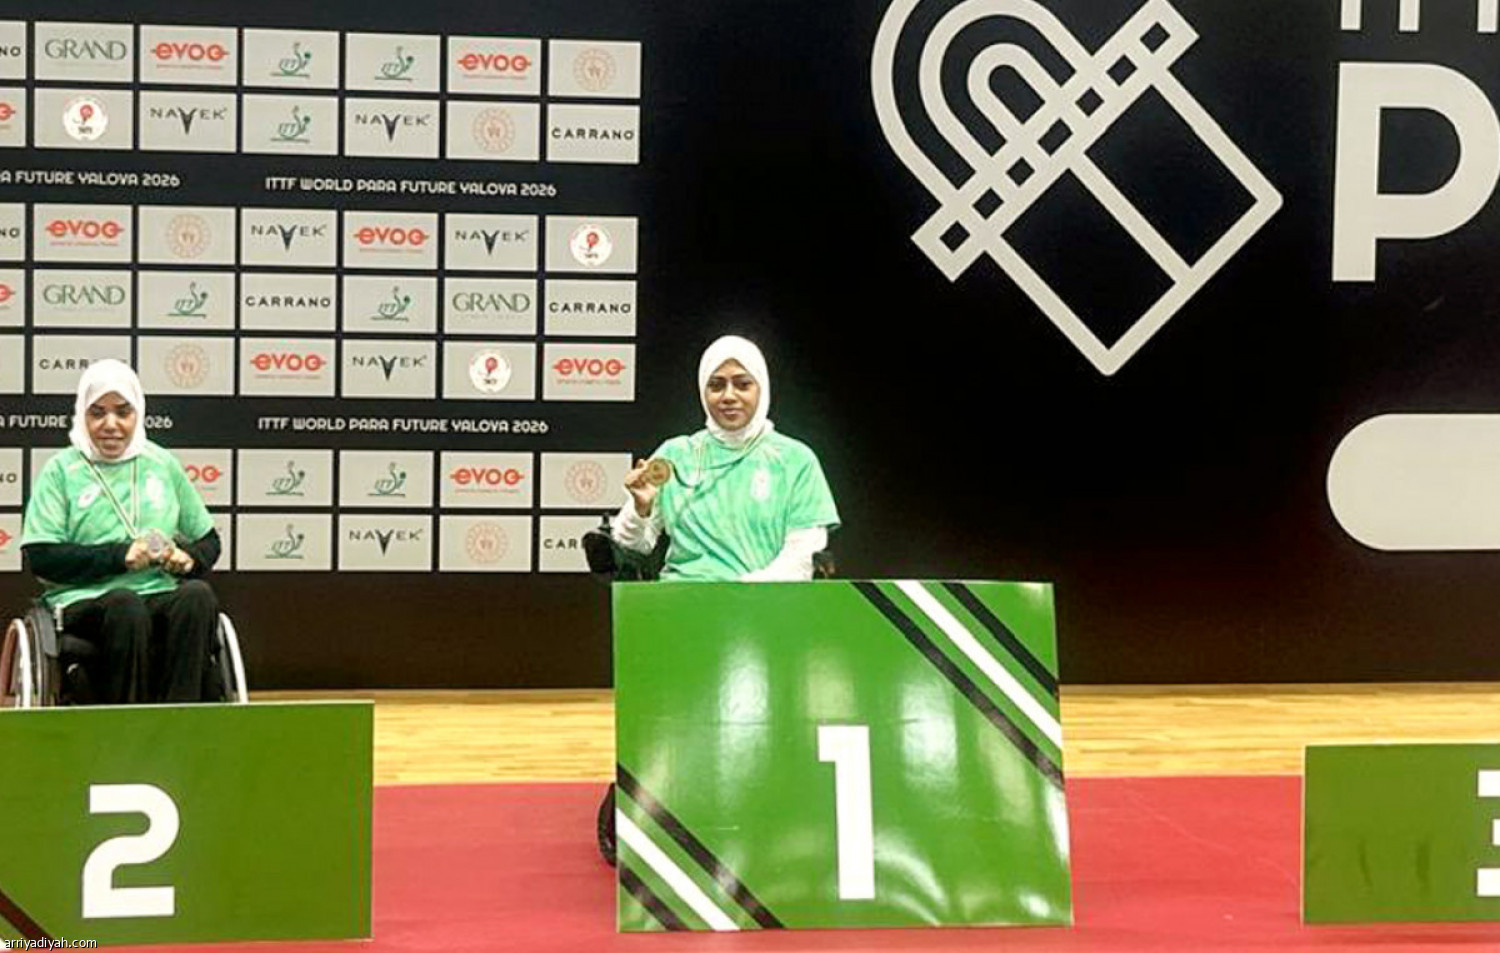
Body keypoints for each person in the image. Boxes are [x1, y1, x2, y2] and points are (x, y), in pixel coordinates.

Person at [20, 360, 223, 704]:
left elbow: (209, 541)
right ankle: (125, 724)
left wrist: (187, 559)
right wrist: (120, 557)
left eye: (123, 412)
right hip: (84, 601)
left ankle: (183, 716)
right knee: (125, 604)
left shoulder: (161, 463)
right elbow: (42, 557)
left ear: (137, 414)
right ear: (82, 415)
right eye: (97, 413)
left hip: (157, 592)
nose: (111, 424)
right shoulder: (61, 471)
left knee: (197, 596)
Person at [612, 335, 839, 581]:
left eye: (743, 384)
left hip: (763, 601)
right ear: (703, 391)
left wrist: (737, 595)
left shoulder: (796, 460)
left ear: (761, 388)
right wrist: (640, 510)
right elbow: (632, 545)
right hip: (680, 598)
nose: (729, 396)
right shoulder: (675, 455)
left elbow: (802, 556)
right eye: (716, 385)